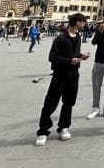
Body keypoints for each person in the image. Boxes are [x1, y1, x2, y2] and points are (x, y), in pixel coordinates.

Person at [35, 13, 91, 146]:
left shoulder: (77, 37)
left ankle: (64, 127)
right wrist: (69, 61)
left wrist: (81, 56)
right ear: (77, 22)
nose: (85, 24)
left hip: (73, 75)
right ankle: (43, 131)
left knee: (69, 102)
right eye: (83, 21)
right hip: (60, 75)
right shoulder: (60, 38)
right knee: (50, 103)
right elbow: (52, 57)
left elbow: (75, 53)